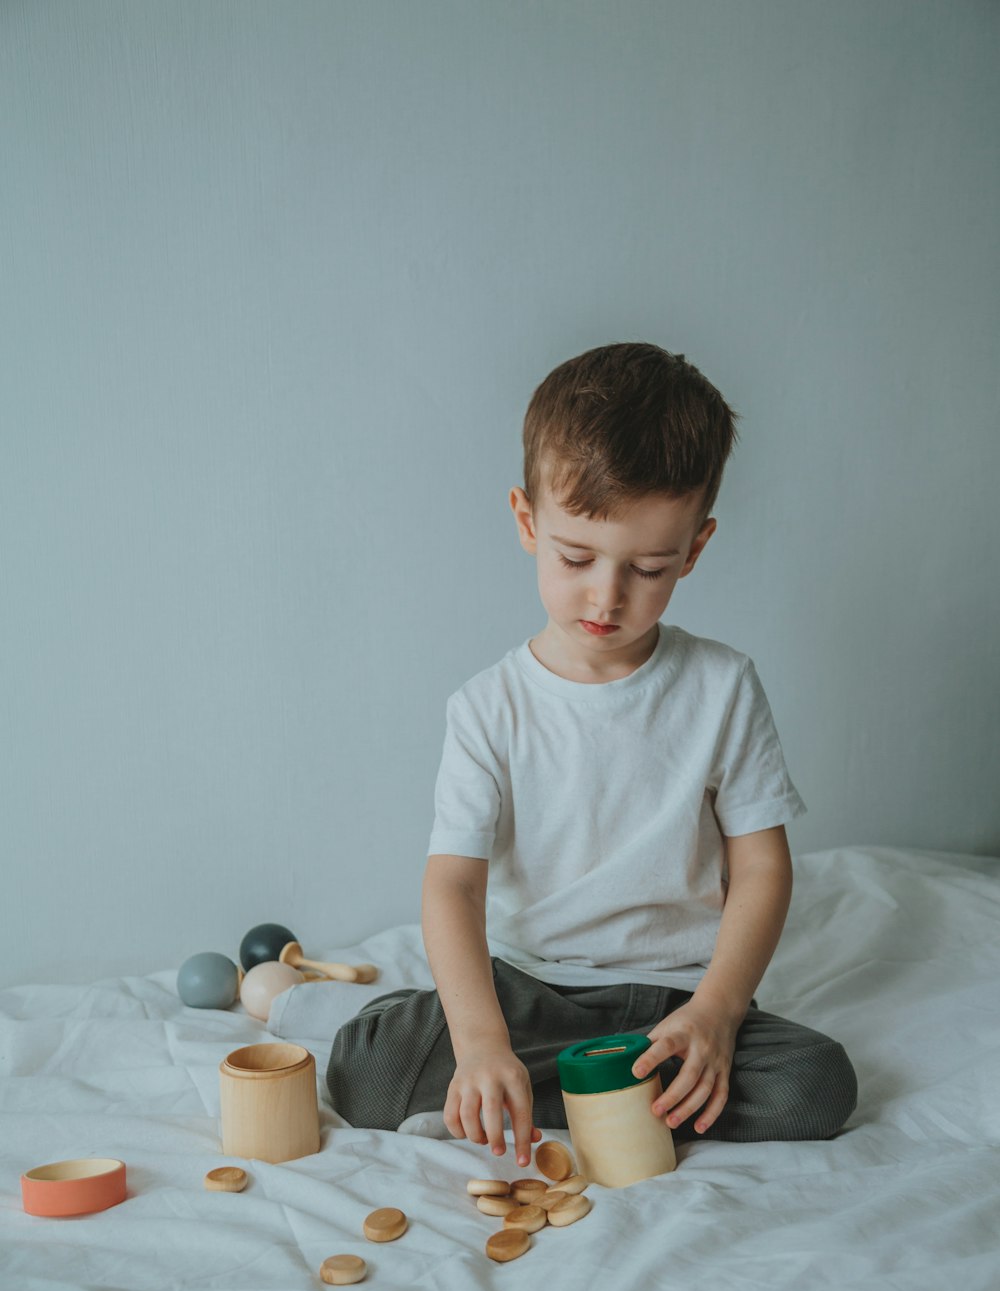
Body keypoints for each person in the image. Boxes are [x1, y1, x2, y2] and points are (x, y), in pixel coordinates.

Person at [327, 341, 857, 1168]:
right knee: (367, 1066)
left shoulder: (723, 687)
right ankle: (571, 1095)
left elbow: (761, 871)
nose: (607, 596)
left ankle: (574, 1096)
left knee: (817, 1085)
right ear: (527, 521)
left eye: (649, 568)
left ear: (695, 549)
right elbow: (454, 884)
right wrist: (478, 1041)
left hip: (673, 1005)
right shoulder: (487, 707)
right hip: (528, 991)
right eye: (576, 558)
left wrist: (717, 1013)